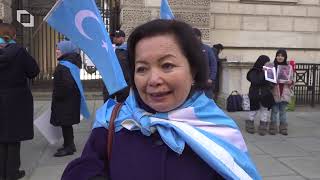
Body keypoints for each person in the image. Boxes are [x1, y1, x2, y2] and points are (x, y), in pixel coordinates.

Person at [61, 19, 260, 180]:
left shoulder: (219, 129)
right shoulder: (112, 122)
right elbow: (84, 168)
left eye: (167, 65)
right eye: (142, 69)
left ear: (193, 71)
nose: (153, 80)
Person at [0, 23, 39, 180]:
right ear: (13, 35)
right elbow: (33, 71)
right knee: (14, 138)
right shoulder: (19, 51)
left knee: (1, 138)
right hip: (16, 100)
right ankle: (12, 172)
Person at [50, 40, 89, 157]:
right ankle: (68, 144)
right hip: (69, 100)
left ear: (66, 50)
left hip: (65, 101)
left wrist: (58, 95)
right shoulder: (70, 63)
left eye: (59, 49)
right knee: (66, 124)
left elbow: (67, 85)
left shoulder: (65, 66)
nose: (56, 51)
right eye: (56, 48)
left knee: (66, 123)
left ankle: (69, 147)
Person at [246, 55, 275, 135]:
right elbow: (257, 81)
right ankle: (250, 124)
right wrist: (263, 72)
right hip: (255, 94)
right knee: (253, 111)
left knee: (264, 111)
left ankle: (263, 126)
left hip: (265, 94)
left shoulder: (268, 71)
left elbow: (272, 82)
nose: (267, 64)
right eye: (266, 62)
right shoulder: (254, 71)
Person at [269, 49, 294, 135]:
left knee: (283, 111)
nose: (280, 57)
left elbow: (292, 79)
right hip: (275, 92)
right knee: (274, 111)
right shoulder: (272, 66)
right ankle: (273, 127)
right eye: (278, 55)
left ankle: (283, 128)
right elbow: (268, 78)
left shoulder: (289, 67)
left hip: (285, 92)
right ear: (276, 56)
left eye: (282, 56)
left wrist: (290, 82)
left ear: (285, 57)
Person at [193, 28, 217, 99]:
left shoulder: (207, 49)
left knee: (207, 102)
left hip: (206, 82)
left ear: (199, 37)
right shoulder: (189, 50)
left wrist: (211, 78)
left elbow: (213, 64)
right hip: (194, 83)